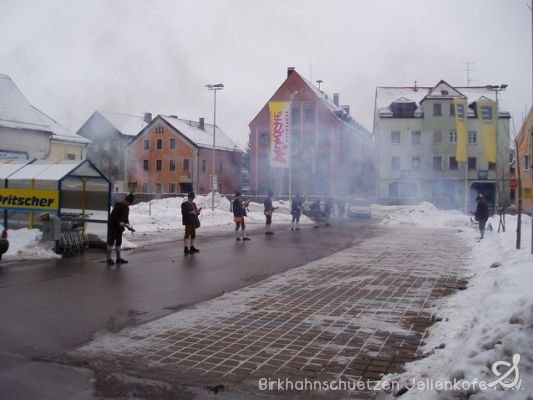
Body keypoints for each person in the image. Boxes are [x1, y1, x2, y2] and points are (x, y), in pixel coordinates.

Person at [107, 193, 135, 265]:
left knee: (119, 243)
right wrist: (119, 222)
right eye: (129, 202)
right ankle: (109, 259)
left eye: (130, 203)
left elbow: (126, 219)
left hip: (120, 228)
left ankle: (118, 258)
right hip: (113, 227)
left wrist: (129, 226)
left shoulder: (127, 208)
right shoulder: (118, 206)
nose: (129, 204)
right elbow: (113, 216)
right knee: (111, 242)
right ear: (126, 200)